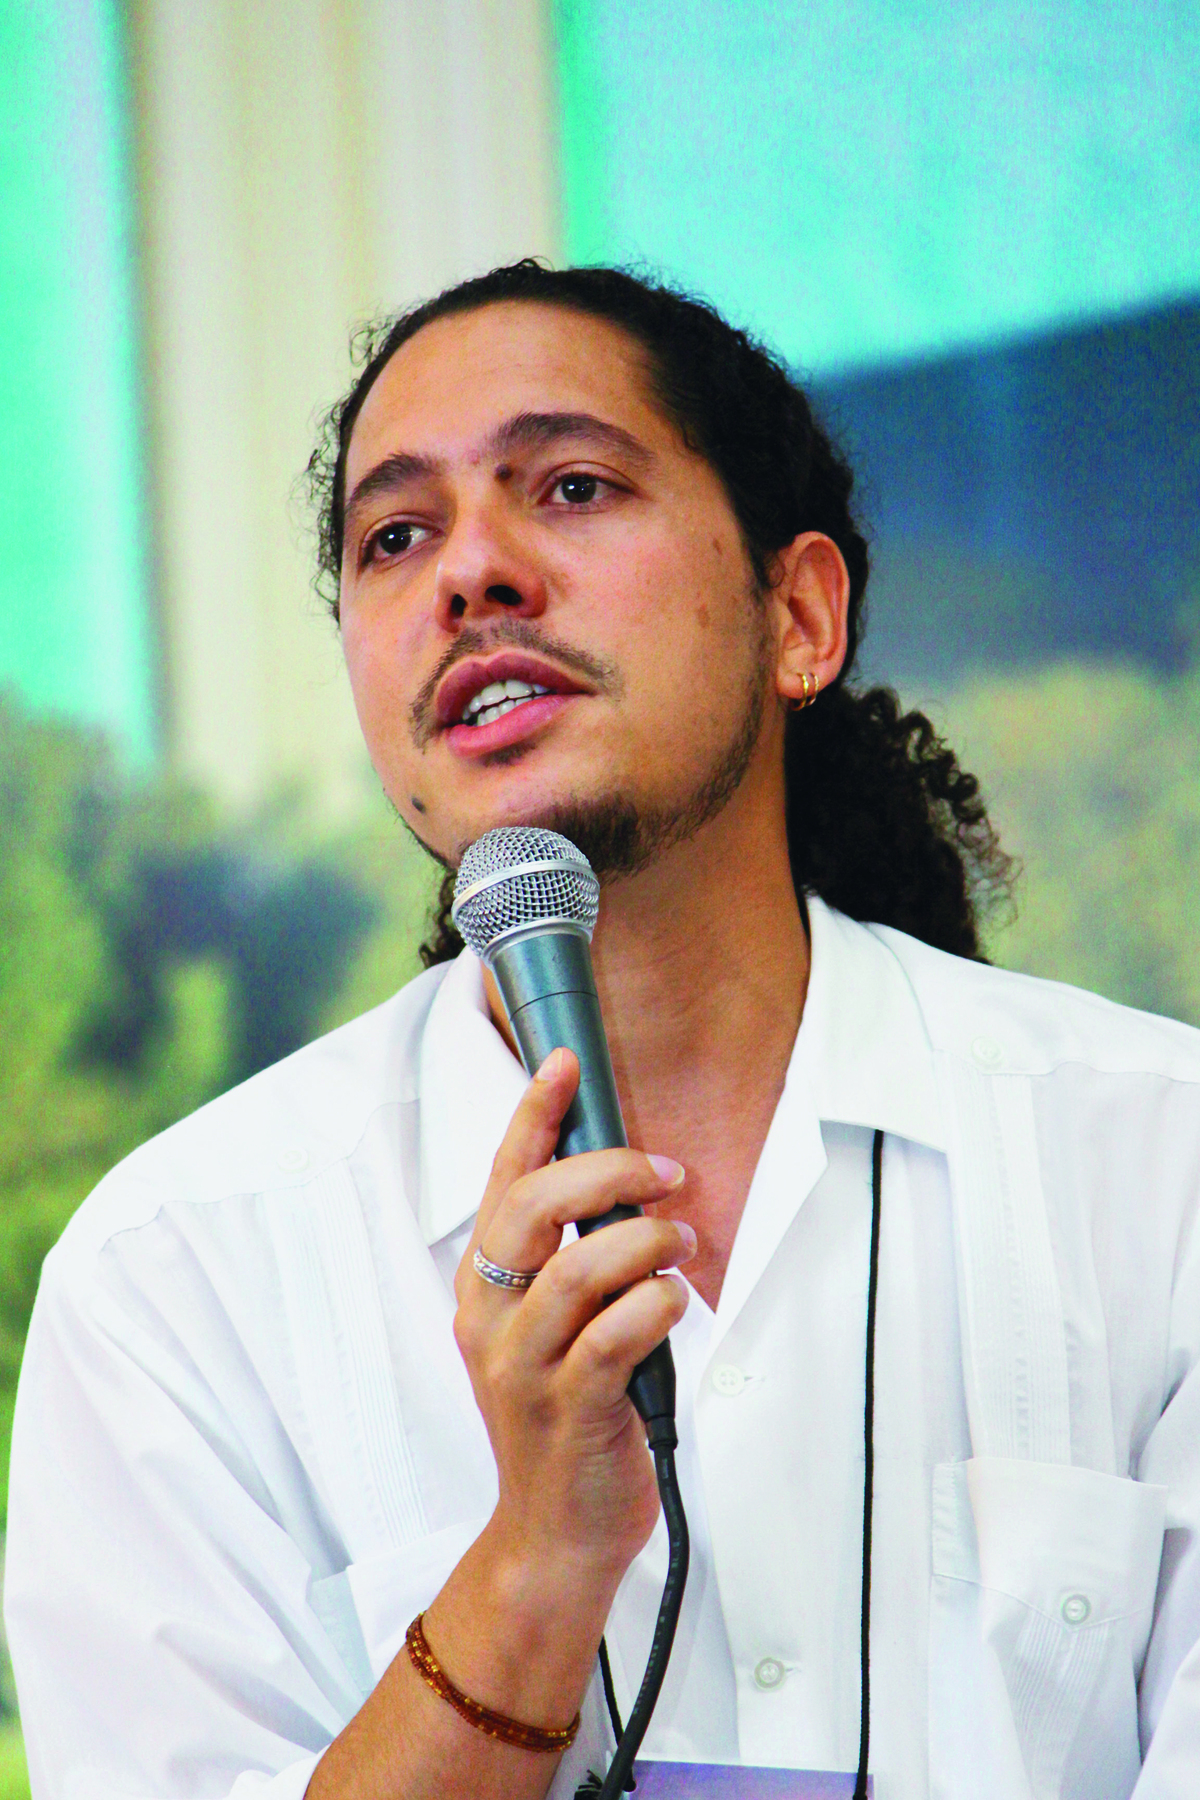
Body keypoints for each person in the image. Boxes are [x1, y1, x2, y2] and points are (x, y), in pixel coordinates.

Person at [7, 262, 1200, 1800]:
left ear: (802, 615)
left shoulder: (1155, 1162)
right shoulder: (177, 1276)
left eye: (569, 486)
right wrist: (534, 1564)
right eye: (396, 535)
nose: (471, 574)